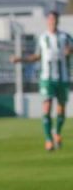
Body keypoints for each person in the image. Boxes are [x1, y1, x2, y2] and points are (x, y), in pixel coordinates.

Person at [11, 10, 72, 151]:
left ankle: (57, 132)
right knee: (47, 106)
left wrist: (70, 51)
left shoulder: (65, 37)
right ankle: (48, 140)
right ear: (47, 21)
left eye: (54, 20)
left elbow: (72, 49)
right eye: (50, 20)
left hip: (62, 78)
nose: (52, 22)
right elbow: (36, 56)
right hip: (47, 78)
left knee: (61, 108)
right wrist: (20, 59)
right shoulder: (43, 38)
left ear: (58, 21)